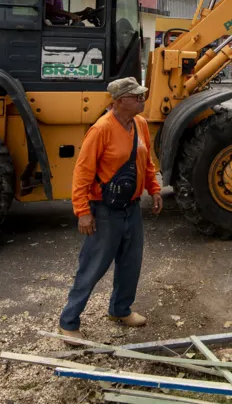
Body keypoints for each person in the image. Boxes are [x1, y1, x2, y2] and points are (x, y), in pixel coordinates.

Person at [58, 77, 162, 336]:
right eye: (136, 97)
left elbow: (147, 161)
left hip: (132, 208)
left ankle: (120, 309)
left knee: (131, 263)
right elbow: (82, 173)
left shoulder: (140, 125)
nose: (142, 100)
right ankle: (68, 323)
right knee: (93, 266)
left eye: (142, 96)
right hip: (105, 211)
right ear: (118, 102)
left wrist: (154, 189)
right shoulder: (101, 129)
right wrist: (82, 212)